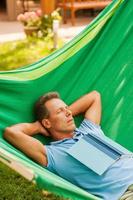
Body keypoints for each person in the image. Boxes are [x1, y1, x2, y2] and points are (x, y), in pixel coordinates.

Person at [4, 91, 133, 200]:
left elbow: (94, 96)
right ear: (47, 123)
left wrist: (63, 112)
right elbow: (11, 133)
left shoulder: (88, 129)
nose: (69, 113)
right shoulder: (52, 154)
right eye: (60, 111)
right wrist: (37, 127)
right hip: (126, 192)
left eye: (68, 108)